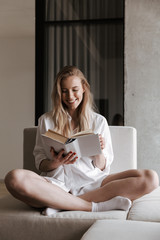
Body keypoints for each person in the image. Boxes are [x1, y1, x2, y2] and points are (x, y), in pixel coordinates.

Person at [5, 66, 159, 215]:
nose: (70, 96)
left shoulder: (98, 121)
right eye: (64, 91)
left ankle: (61, 204)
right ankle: (89, 206)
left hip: (93, 183)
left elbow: (102, 167)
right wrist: (56, 163)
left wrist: (97, 151)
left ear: (84, 88)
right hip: (56, 184)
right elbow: (39, 160)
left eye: (74, 90)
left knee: (150, 178)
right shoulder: (46, 120)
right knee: (13, 178)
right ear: (59, 93)